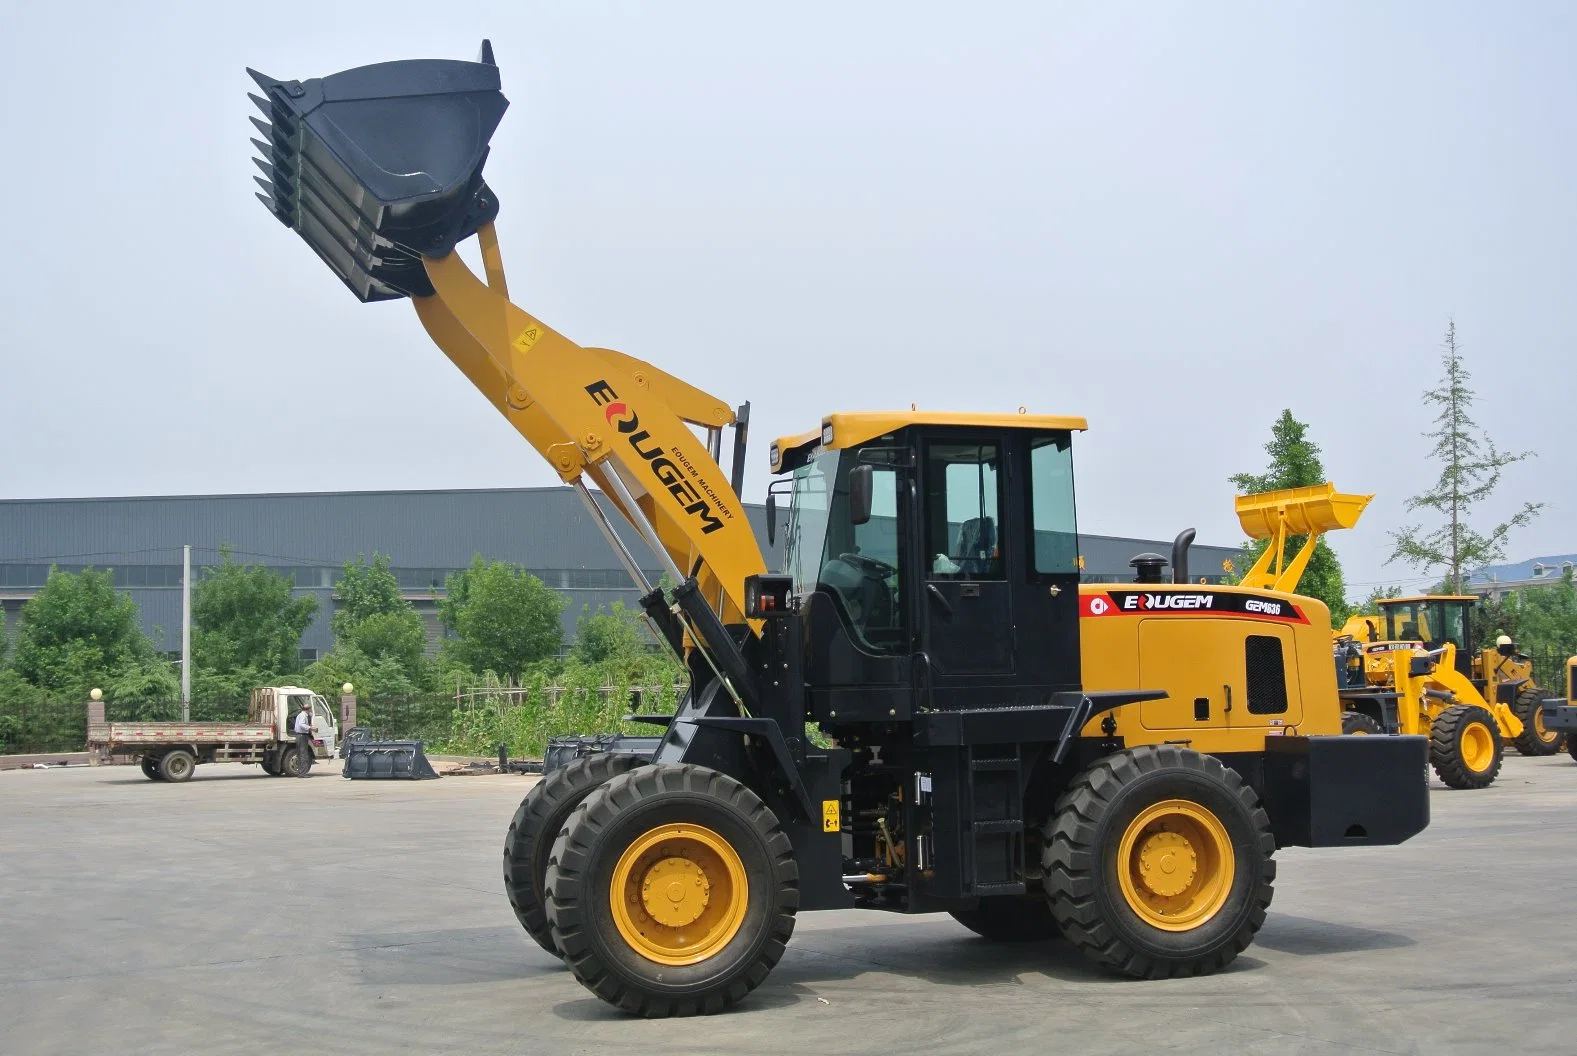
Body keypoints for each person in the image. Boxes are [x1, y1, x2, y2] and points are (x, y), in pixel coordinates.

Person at [292, 700, 315, 777]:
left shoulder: (300, 715)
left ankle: (301, 772)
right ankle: (303, 773)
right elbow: (302, 724)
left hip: (299, 736)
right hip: (302, 736)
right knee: (303, 754)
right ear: (308, 709)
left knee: (300, 754)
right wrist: (311, 728)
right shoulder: (303, 715)